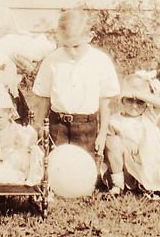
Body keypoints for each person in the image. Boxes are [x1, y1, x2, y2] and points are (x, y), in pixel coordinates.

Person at [32, 9, 120, 157]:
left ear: (90, 36)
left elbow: (106, 100)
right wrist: (38, 126)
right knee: (56, 166)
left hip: (86, 125)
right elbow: (44, 97)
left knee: (84, 169)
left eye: (76, 46)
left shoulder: (100, 61)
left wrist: (103, 133)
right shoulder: (52, 61)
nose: (71, 52)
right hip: (57, 124)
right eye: (65, 46)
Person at [103, 71, 160, 197]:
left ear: (146, 103)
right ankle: (118, 186)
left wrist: (135, 94)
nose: (134, 106)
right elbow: (109, 145)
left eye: (140, 102)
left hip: (147, 164)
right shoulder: (115, 120)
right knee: (113, 141)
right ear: (122, 101)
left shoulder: (148, 116)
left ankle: (147, 186)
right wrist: (123, 141)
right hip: (125, 166)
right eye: (130, 101)